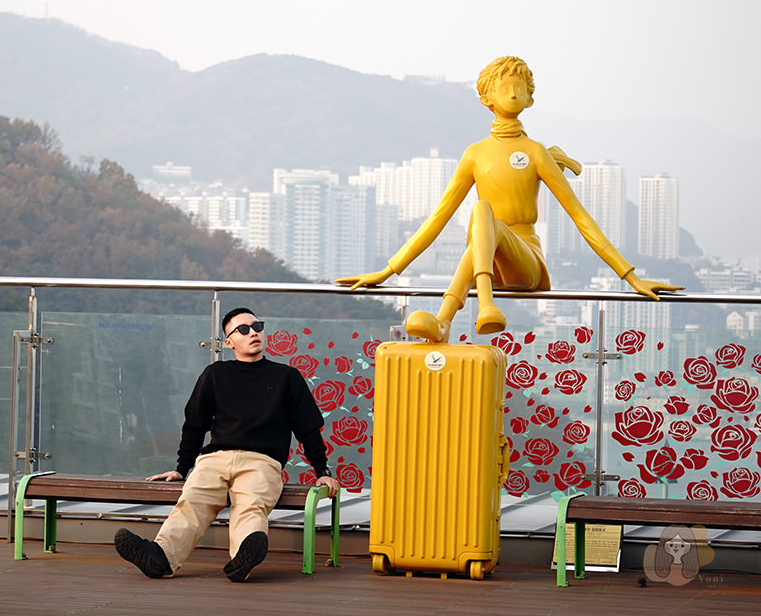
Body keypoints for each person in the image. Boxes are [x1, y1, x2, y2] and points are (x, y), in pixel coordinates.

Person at [337, 55, 682, 341]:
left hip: (526, 262)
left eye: (521, 89)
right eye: (505, 88)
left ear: (531, 99)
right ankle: (464, 315)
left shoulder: (535, 153)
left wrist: (631, 277)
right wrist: (387, 271)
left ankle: (454, 315)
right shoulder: (475, 154)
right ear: (487, 97)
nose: (514, 94)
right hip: (491, 263)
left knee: (483, 215)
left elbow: (581, 218)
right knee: (482, 217)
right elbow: (438, 218)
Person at [115, 307, 340, 582]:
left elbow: (308, 428)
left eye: (257, 326)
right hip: (214, 459)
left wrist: (322, 471)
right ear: (229, 341)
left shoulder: (286, 377)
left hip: (262, 461)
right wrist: (181, 469)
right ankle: (161, 558)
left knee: (251, 504)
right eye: (243, 329)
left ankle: (240, 562)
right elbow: (194, 425)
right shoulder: (215, 374)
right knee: (192, 500)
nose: (253, 332)